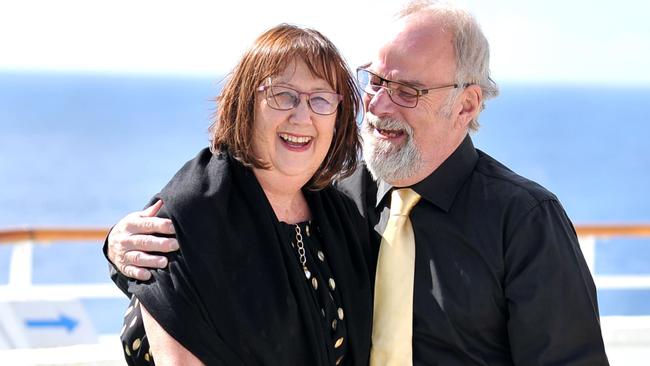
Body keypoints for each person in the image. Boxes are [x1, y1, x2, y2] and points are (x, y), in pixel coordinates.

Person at [107, 1, 610, 365]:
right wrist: (119, 243)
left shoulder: (524, 221)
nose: (380, 105)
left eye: (408, 90)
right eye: (375, 81)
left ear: (467, 104)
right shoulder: (336, 192)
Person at [111, 23, 373, 366]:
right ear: (246, 104)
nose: (302, 115)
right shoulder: (193, 212)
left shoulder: (341, 214)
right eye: (283, 95)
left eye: (320, 99)